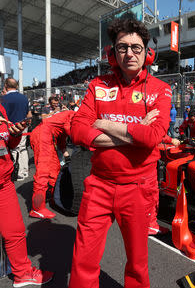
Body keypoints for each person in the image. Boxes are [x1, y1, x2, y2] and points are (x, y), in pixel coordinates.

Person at [69, 18, 171, 288]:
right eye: (122, 47)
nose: (129, 53)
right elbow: (77, 131)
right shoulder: (96, 85)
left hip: (139, 187)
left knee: (137, 265)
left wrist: (103, 123)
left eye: (136, 48)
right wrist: (133, 135)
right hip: (99, 184)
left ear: (148, 53)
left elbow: (152, 137)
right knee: (82, 261)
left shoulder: (160, 89)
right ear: (112, 52)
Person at [0, 105, 54, 287]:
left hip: (3, 182)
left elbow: (8, 143)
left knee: (15, 231)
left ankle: (23, 273)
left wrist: (14, 134)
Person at [29, 110, 75, 219]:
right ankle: (37, 209)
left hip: (48, 136)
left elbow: (62, 135)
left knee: (55, 169)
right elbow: (70, 131)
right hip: (43, 136)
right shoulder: (74, 115)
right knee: (43, 172)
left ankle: (56, 198)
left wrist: (65, 152)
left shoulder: (69, 115)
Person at [1, 77, 31, 181]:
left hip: (10, 128)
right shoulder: (24, 98)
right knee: (22, 149)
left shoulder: (3, 99)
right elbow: (28, 114)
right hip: (23, 127)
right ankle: (24, 171)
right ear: (16, 86)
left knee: (13, 149)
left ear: (6, 86)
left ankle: (17, 172)